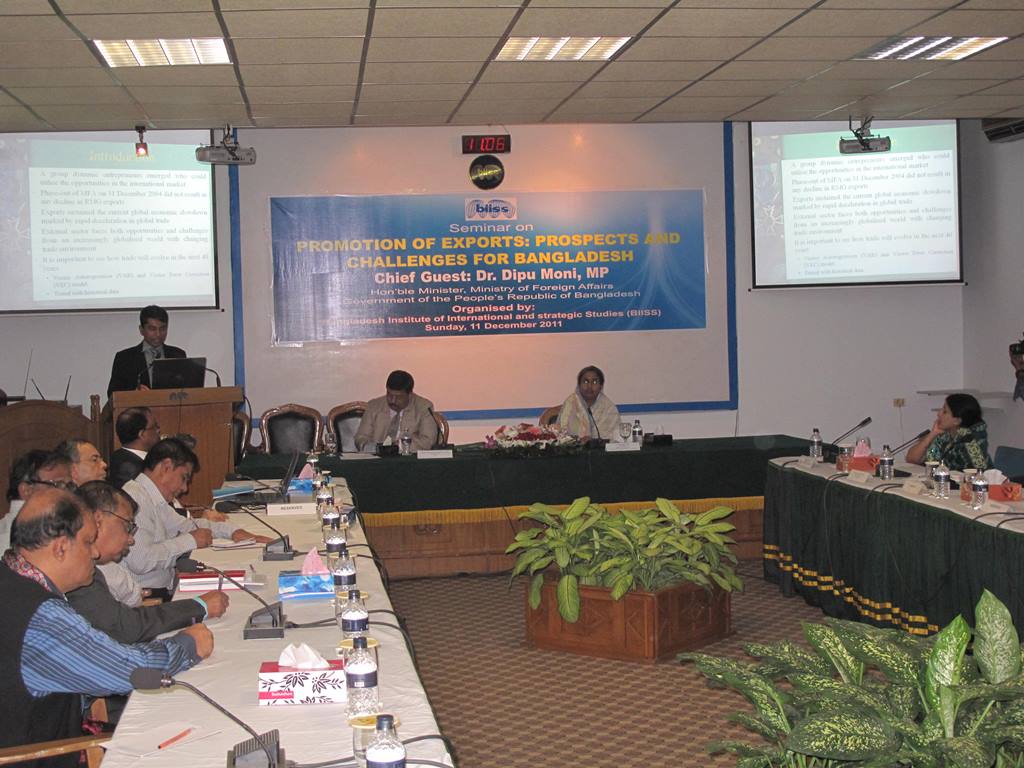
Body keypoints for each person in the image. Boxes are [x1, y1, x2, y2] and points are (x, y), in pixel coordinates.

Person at [0, 488, 211, 764]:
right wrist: (188, 645)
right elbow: (129, 670)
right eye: (88, 542)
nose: (96, 551)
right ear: (60, 548)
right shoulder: (41, 617)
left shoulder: (10, 580)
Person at [69, 481, 228, 643]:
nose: (131, 540)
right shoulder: (80, 575)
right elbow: (126, 627)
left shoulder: (92, 568)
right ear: (98, 520)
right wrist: (197, 609)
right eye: (127, 526)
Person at [123, 437, 271, 594]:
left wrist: (233, 531)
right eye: (184, 478)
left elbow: (188, 526)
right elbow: (142, 560)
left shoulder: (151, 497)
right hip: (148, 596)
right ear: (166, 467)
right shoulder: (135, 499)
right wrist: (190, 541)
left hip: (166, 586)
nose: (185, 488)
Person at [2, 450, 74, 555]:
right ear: (26, 490)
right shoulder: (8, 539)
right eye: (58, 484)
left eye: (69, 486)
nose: (67, 493)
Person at [107, 305, 186, 397]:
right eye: (152, 329)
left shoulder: (178, 355)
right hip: (138, 406)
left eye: (162, 329)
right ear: (141, 330)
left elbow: (188, 390)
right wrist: (134, 393)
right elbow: (112, 393)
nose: (158, 334)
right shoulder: (124, 358)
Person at [354, 370, 439, 452]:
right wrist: (370, 447)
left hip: (408, 457)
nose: (393, 400)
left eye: (398, 397)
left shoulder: (424, 407)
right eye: (389, 395)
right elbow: (361, 437)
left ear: (410, 395)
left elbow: (428, 441)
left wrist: (399, 446)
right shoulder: (373, 406)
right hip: (377, 457)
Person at [906, 393, 992, 471]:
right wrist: (932, 435)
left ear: (956, 421)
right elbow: (912, 459)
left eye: (944, 412)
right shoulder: (945, 436)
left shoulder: (971, 441)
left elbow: (978, 472)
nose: (938, 414)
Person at [557, 365, 621, 442]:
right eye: (585, 381)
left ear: (601, 386)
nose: (589, 386)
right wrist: (578, 441)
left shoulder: (608, 408)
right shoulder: (570, 403)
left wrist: (593, 441)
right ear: (579, 385)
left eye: (594, 382)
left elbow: (614, 440)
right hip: (572, 449)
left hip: (600, 449)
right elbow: (560, 435)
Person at [109, 406, 160, 488]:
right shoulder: (128, 468)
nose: (158, 430)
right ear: (142, 434)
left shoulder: (121, 458)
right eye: (155, 427)